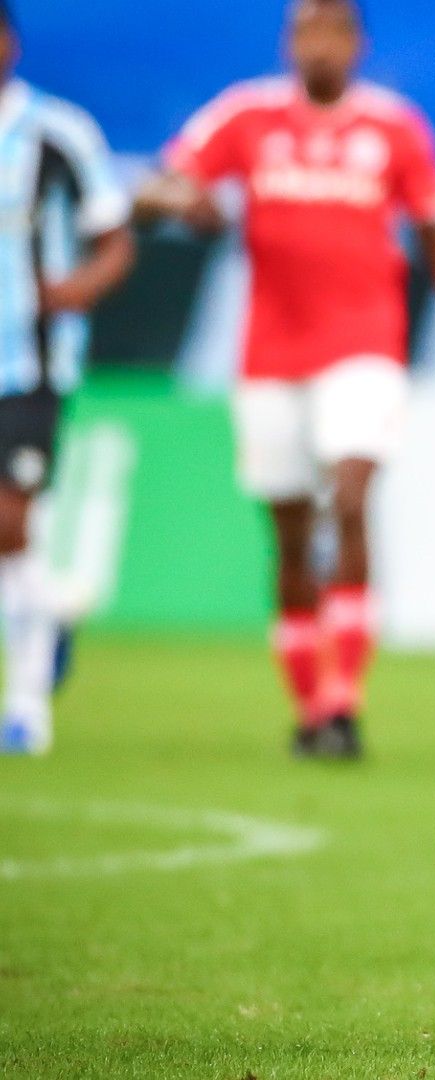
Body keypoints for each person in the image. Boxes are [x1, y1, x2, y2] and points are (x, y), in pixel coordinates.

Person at [133, 0, 435, 758]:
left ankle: (343, 700)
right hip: (269, 357)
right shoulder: (245, 116)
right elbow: (150, 187)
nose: (314, 46)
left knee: (351, 498)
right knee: (289, 538)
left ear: (355, 44)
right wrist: (187, 201)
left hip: (364, 349)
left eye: (329, 31)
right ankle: (307, 710)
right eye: (301, 32)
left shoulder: (393, 128)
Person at [0, 3, 136, 756]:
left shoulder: (59, 134)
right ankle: (52, 610)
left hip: (29, 363)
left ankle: (25, 708)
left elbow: (116, 241)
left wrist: (74, 289)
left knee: (10, 523)